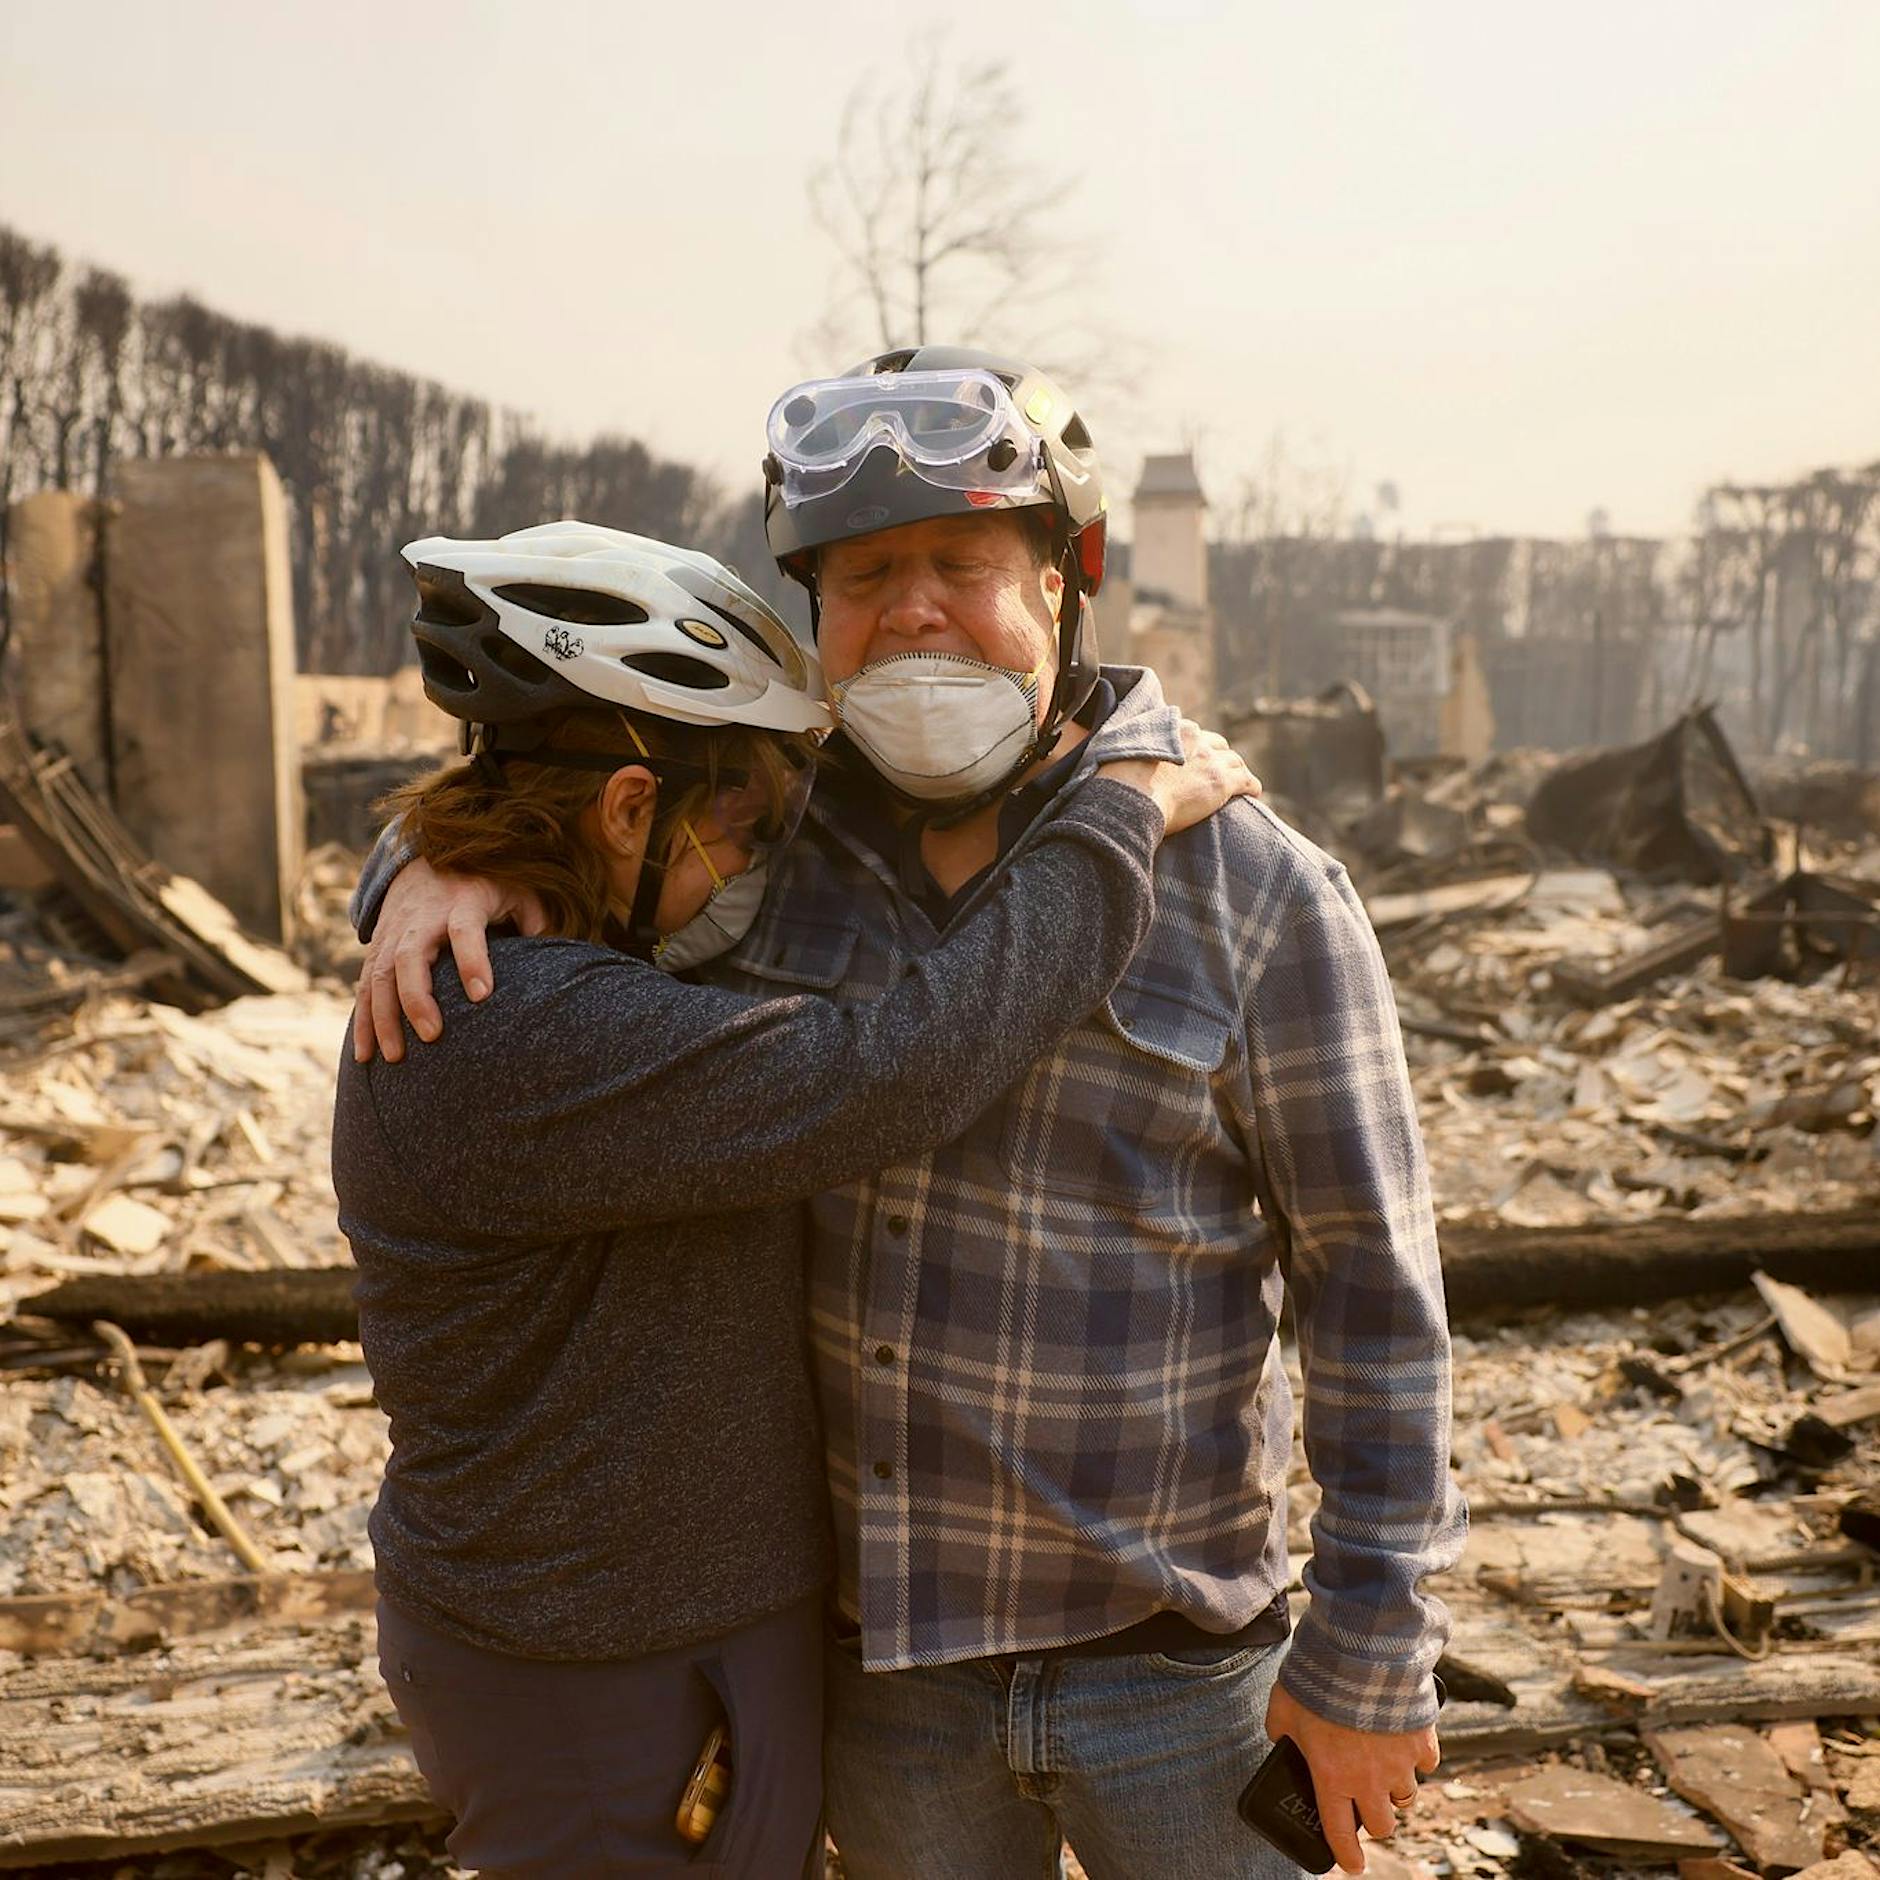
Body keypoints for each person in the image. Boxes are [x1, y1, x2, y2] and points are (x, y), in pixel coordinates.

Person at [355, 353, 1467, 1879]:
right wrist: (439, 872)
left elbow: (1375, 1296)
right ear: (816, 616)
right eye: (865, 576)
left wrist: (1373, 1646)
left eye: (962, 562)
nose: (914, 610)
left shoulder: (1254, 889)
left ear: (1069, 580)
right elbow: (574, 875)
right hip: (889, 1695)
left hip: (1177, 1679)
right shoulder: (768, 863)